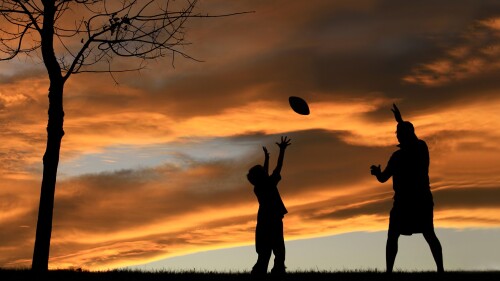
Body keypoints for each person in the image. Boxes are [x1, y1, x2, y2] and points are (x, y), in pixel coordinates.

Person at [370, 104, 444, 273]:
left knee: (428, 234)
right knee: (394, 236)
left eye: (400, 132)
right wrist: (377, 173)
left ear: (408, 134)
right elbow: (384, 178)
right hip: (403, 202)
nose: (398, 136)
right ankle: (389, 271)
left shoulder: (420, 148)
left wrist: (401, 121)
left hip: (420, 200)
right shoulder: (397, 156)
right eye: (397, 133)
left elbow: (413, 142)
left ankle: (440, 270)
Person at [247, 136, 291, 275]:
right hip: (273, 219)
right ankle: (277, 270)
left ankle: (260, 271)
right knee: (278, 248)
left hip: (263, 219)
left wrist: (267, 158)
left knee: (264, 250)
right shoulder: (269, 184)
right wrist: (282, 151)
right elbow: (278, 167)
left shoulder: (259, 187)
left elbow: (265, 173)